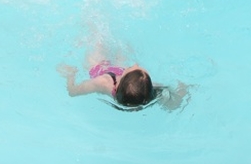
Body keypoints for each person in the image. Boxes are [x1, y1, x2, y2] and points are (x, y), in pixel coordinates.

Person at [57, 39, 188, 112]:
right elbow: (174, 103)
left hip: (100, 69)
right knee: (124, 46)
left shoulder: (103, 82)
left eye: (131, 67)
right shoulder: (148, 92)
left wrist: (70, 75)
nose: (135, 63)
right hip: (121, 74)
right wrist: (184, 88)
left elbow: (73, 92)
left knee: (98, 42)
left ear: (122, 78)